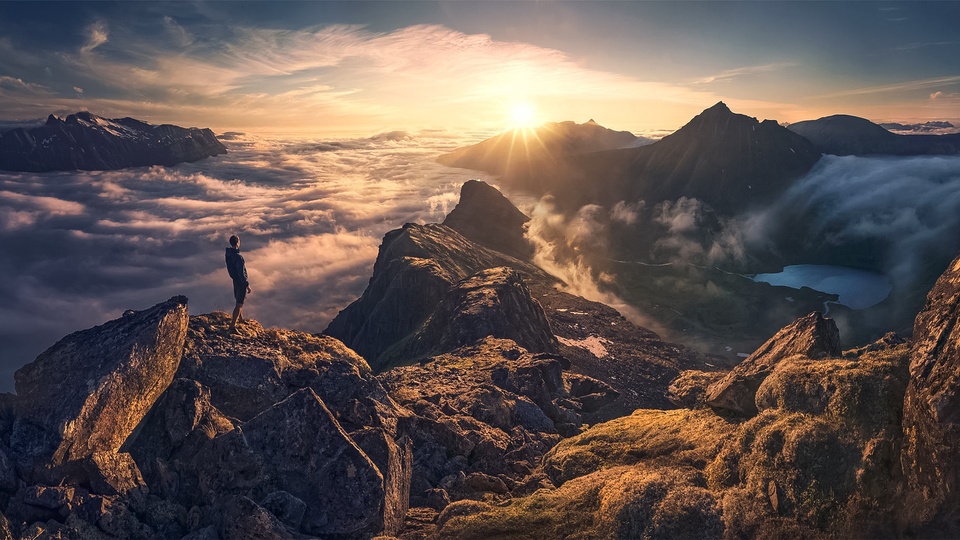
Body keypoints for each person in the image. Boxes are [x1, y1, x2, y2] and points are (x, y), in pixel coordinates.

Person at [225, 234, 251, 334]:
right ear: (238, 243)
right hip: (240, 281)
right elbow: (241, 272)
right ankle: (232, 326)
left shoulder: (228, 254)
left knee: (238, 300)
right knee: (239, 303)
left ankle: (240, 319)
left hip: (234, 280)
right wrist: (247, 284)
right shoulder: (238, 257)